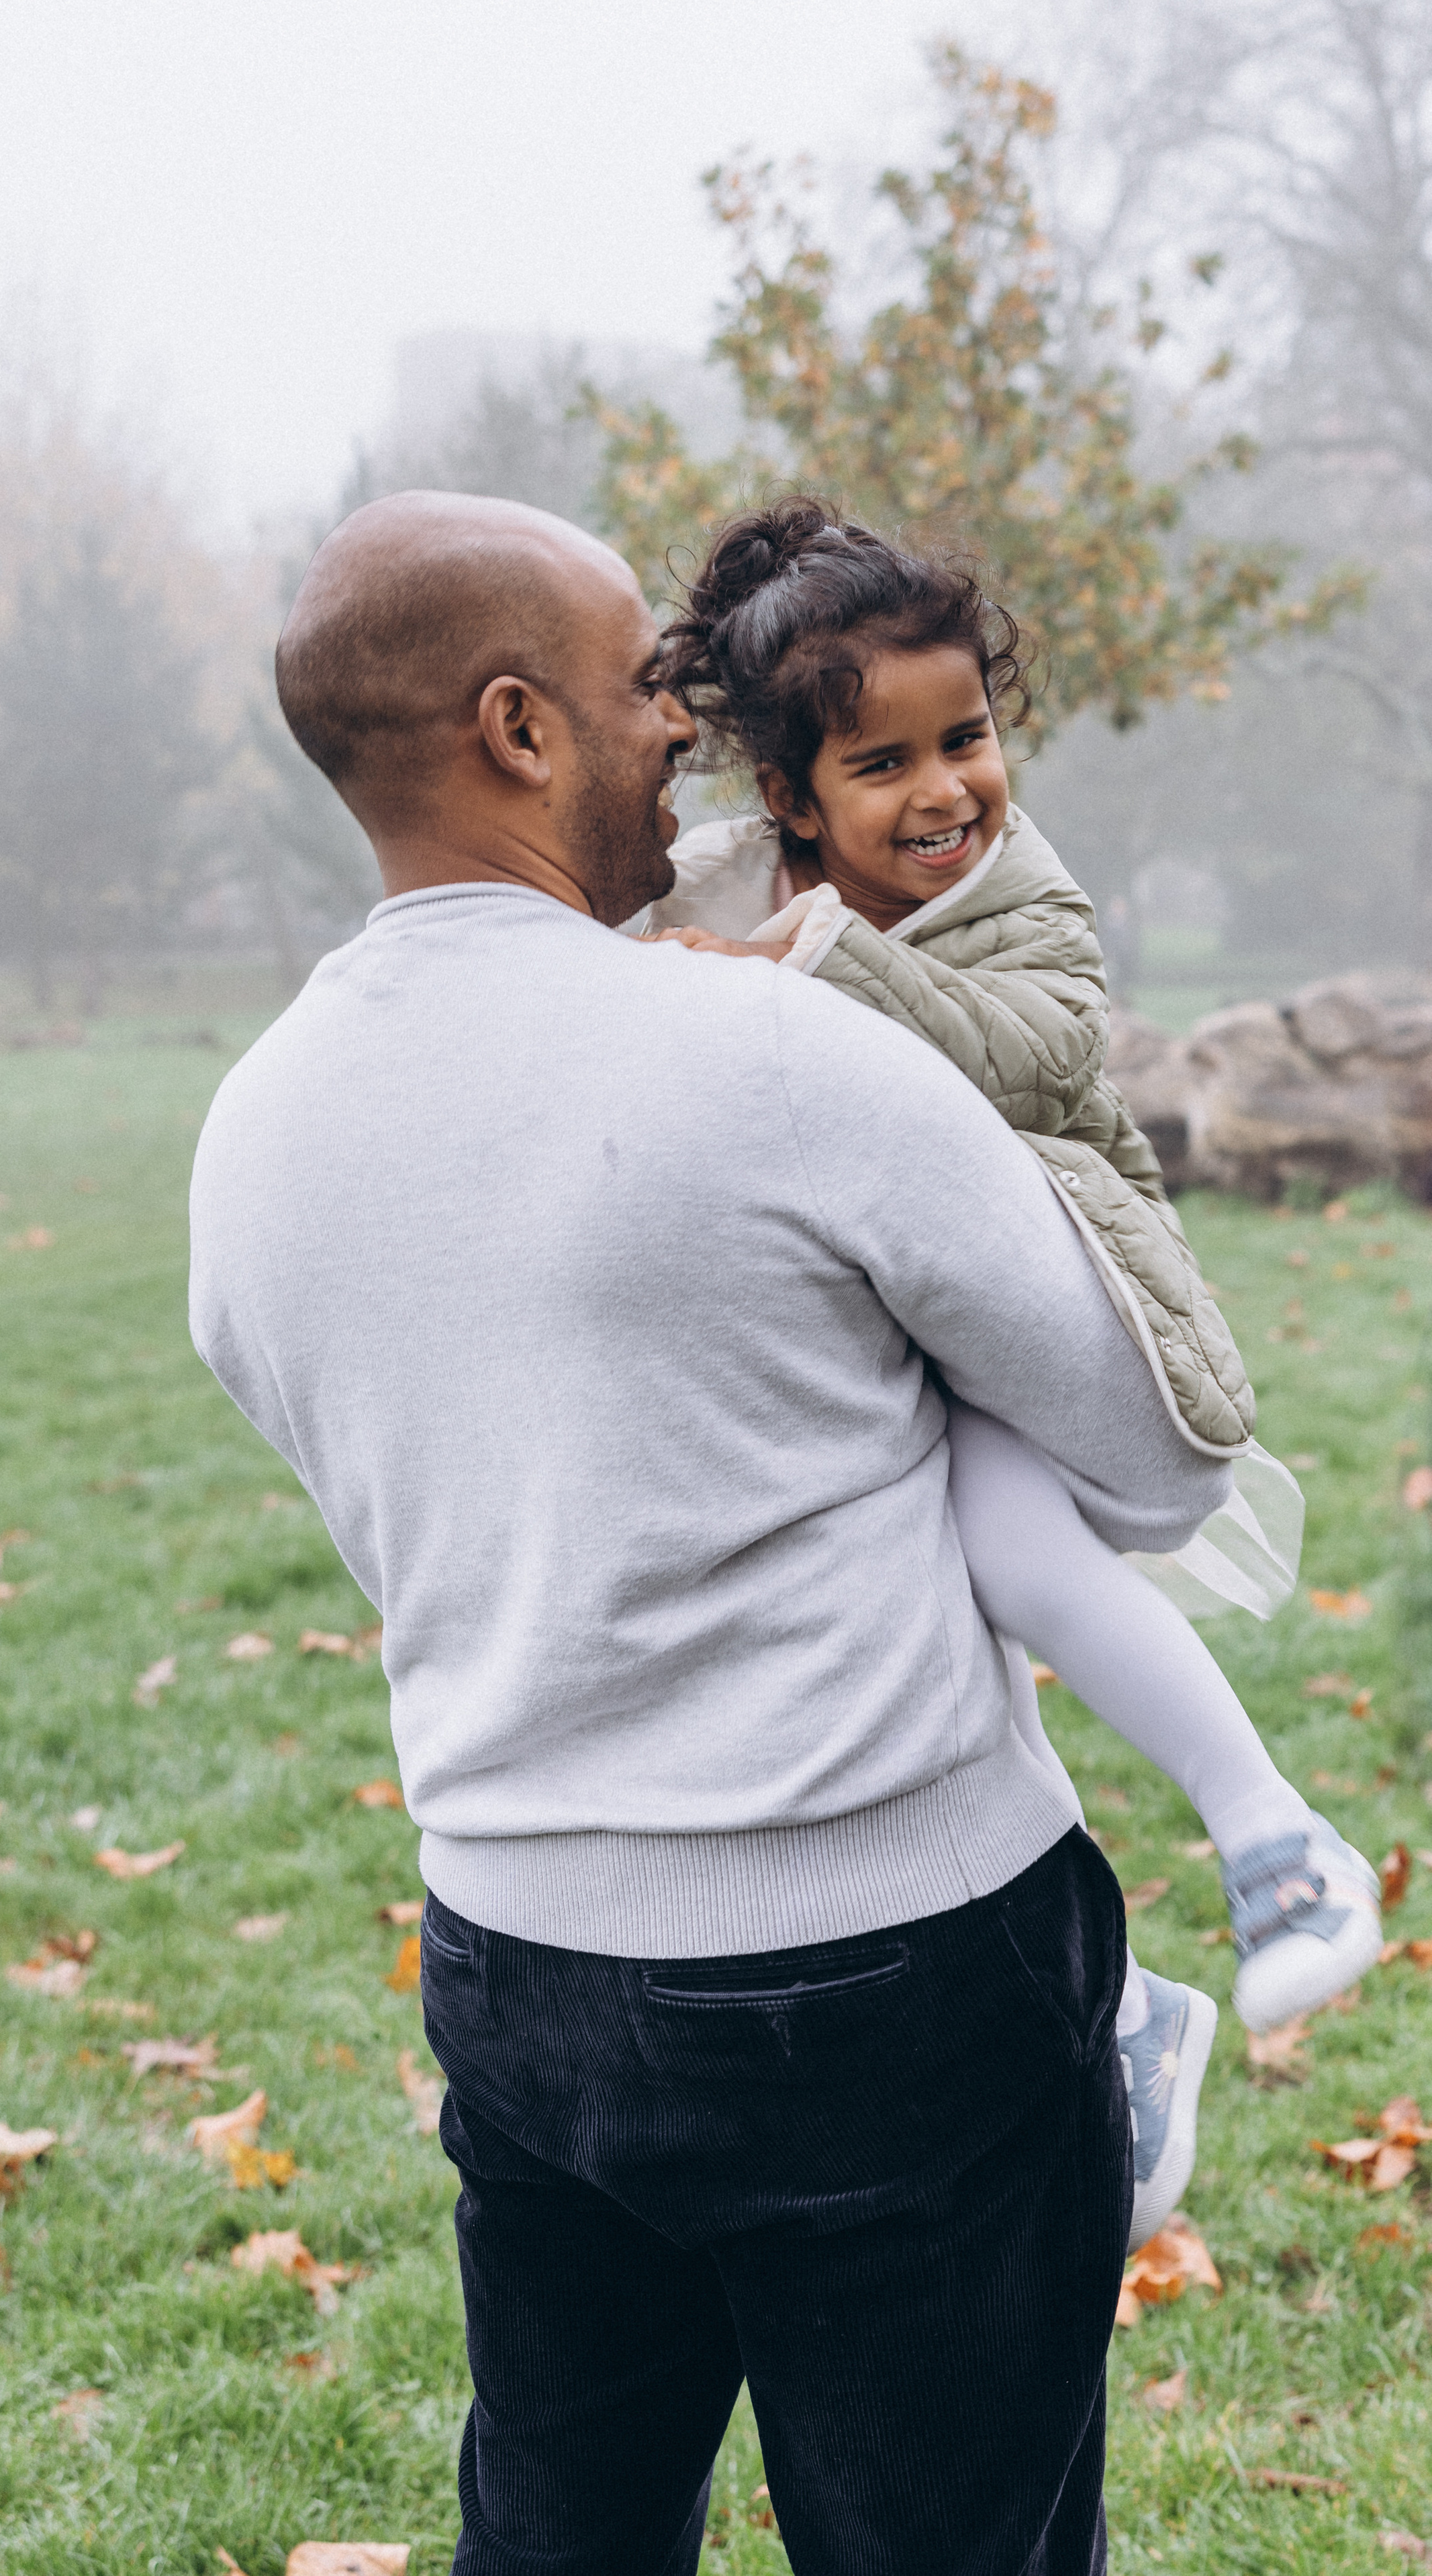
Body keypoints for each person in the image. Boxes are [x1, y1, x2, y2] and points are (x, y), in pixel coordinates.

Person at [189, 489, 1233, 2576]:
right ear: (513, 725)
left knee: (564, 2535)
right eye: (635, 687)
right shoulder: (773, 1044)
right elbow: (1157, 1459)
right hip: (896, 1972)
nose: (683, 723)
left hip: (514, 1970)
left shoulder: (253, 1130)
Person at [643, 502, 1382, 2124]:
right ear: (784, 792)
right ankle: (1113, 2002)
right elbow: (624, 969)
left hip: (1053, 1297)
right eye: (881, 763)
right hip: (866, 1329)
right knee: (911, 1632)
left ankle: (1271, 1825)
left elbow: (1036, 1055)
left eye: (964, 736)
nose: (945, 791)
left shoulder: (1022, 890)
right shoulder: (716, 876)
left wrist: (805, 960)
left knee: (1011, 1543)